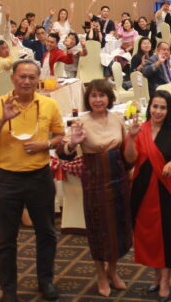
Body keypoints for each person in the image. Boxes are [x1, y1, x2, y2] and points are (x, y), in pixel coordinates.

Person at [0, 60, 64, 302]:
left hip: (40, 177)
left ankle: (45, 280)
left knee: (46, 233)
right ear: (13, 78)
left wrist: (46, 144)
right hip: (6, 178)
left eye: (31, 77)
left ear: (38, 80)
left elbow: (60, 135)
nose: (26, 81)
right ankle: (9, 290)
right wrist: (2, 120)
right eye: (22, 76)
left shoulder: (48, 104)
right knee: (6, 239)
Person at [60, 80, 132, 297]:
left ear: (109, 98)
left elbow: (126, 151)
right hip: (95, 180)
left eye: (102, 95)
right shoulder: (80, 122)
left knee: (118, 227)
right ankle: (101, 274)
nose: (98, 100)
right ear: (88, 99)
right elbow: (64, 152)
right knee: (98, 228)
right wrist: (73, 143)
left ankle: (113, 271)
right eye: (93, 96)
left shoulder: (117, 118)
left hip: (118, 177)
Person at [123, 90, 171, 302]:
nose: (158, 111)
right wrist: (131, 137)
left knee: (167, 236)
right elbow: (130, 159)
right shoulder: (140, 130)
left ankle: (165, 281)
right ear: (149, 107)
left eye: (163, 107)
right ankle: (157, 277)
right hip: (142, 190)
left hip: (166, 190)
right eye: (155, 106)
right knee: (149, 236)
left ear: (169, 110)